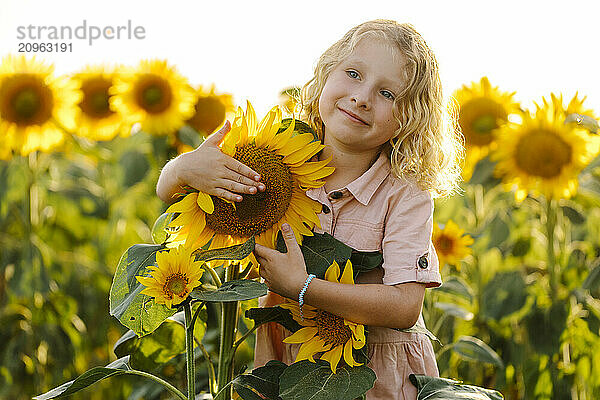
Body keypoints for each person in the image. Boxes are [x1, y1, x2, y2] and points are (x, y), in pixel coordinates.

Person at [156, 19, 463, 400]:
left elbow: (404, 305)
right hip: (287, 362)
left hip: (376, 374)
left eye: (387, 93)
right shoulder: (278, 160)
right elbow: (179, 200)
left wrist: (302, 287)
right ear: (325, 74)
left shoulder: (404, 193)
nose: (362, 97)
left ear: (409, 118)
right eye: (353, 74)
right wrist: (181, 169)